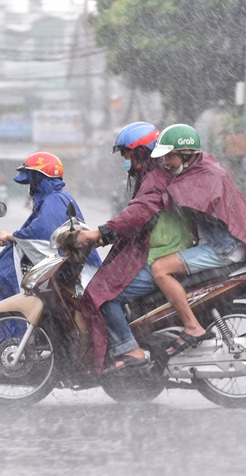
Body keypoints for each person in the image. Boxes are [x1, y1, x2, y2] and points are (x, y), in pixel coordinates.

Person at [148, 124, 246, 356]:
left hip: (223, 249)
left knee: (160, 269)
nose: (166, 162)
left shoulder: (205, 177)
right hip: (219, 245)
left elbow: (176, 196)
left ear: (186, 154)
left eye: (169, 156)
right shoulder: (202, 168)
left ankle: (192, 327)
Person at [76, 122, 179, 374]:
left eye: (126, 154)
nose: (125, 160)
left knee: (102, 293)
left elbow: (138, 213)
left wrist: (101, 231)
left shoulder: (155, 178)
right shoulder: (150, 175)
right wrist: (106, 236)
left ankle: (129, 348)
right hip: (154, 249)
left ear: (142, 151)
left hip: (158, 254)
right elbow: (136, 217)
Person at [0, 152, 102, 310]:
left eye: (32, 181)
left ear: (40, 180)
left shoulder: (55, 199)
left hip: (76, 272)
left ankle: (8, 332)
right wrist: (13, 237)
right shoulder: (57, 197)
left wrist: (10, 236)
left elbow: (42, 232)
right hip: (71, 270)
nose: (30, 188)